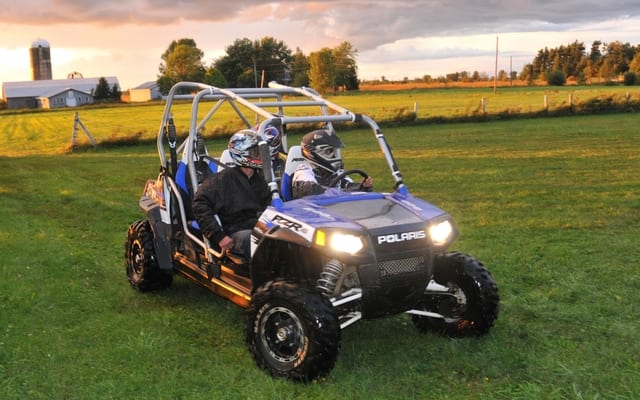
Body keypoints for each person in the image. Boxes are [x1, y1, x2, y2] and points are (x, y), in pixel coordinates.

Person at [192, 129, 270, 260]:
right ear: (242, 153)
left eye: (260, 152)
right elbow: (199, 204)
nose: (260, 156)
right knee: (260, 243)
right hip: (235, 232)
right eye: (256, 152)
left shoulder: (262, 180)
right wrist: (219, 236)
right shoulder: (221, 181)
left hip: (260, 228)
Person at [291, 128, 373, 199]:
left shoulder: (333, 171)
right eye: (329, 151)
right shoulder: (304, 172)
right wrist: (340, 193)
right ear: (313, 152)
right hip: (309, 213)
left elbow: (346, 185)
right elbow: (313, 192)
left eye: (334, 152)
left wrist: (362, 187)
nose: (334, 156)